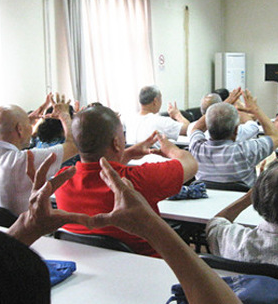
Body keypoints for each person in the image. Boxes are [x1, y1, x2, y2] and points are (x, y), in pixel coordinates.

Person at [0, 152, 240, 304]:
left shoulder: (65, 177)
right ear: (116, 141)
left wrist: (25, 228)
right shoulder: (138, 176)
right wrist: (155, 228)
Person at [54, 105, 197, 256]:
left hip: (95, 269)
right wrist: (170, 149)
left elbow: (96, 169)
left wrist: (126, 154)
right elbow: (191, 163)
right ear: (116, 143)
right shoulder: (135, 180)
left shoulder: (61, 179)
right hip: (148, 269)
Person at [0, 94, 77, 215]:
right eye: (29, 126)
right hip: (25, 231)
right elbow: (74, 145)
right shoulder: (25, 160)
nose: (32, 129)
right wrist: (65, 115)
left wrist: (25, 120)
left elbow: (6, 127)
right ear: (20, 129)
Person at [189, 88, 278, 187]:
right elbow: (276, 137)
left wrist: (225, 103)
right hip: (242, 202)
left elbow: (197, 128)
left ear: (207, 127)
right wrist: (256, 110)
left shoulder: (197, 148)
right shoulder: (246, 151)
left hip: (206, 201)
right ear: (236, 130)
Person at [125, 85, 190, 143]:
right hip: (155, 156)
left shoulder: (130, 121)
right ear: (155, 101)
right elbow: (190, 130)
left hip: (134, 156)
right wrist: (177, 115)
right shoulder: (161, 122)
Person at [186, 91, 259, 141]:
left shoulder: (191, 128)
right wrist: (240, 109)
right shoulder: (234, 130)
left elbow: (197, 128)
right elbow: (253, 126)